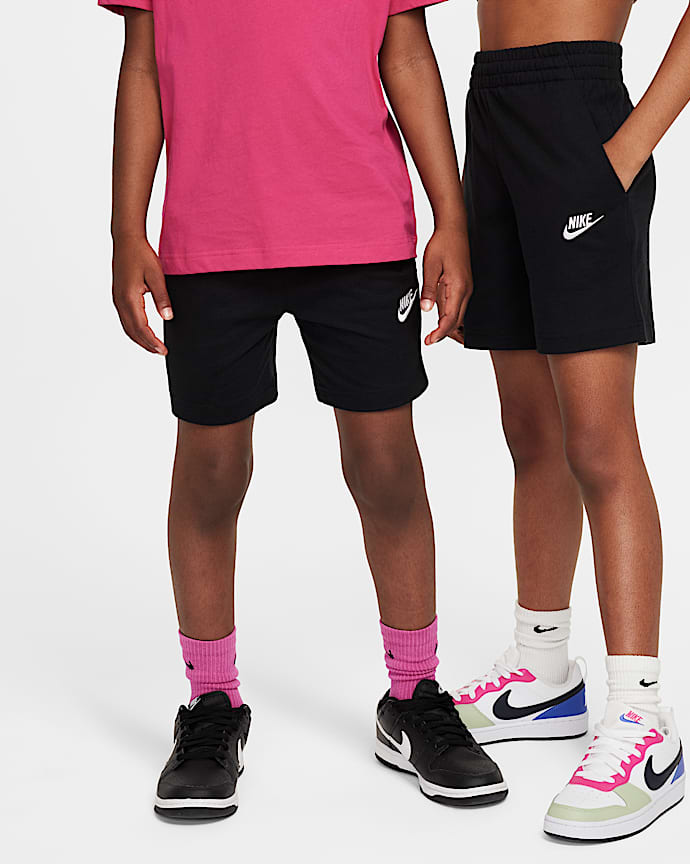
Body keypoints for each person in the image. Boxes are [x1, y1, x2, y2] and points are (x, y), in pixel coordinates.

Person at [100, 0, 506, 819]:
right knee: (212, 468)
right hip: (212, 233)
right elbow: (142, 65)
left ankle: (414, 694)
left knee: (386, 464)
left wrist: (451, 217)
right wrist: (125, 228)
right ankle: (211, 703)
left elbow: (408, 56)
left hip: (359, 224)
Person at [453, 0, 690, 840]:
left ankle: (643, 721)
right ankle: (542, 670)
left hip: (578, 112)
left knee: (597, 441)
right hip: (491, 108)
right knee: (530, 433)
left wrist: (623, 151)